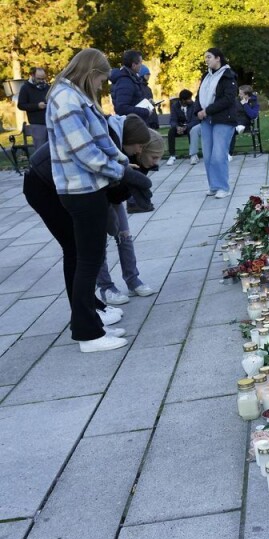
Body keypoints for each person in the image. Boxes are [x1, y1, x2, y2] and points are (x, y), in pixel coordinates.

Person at [46, 48, 131, 352]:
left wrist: (123, 164)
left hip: (89, 188)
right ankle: (87, 334)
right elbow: (85, 152)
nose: (100, 87)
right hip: (81, 191)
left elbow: (102, 140)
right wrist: (120, 173)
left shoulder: (76, 97)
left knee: (89, 260)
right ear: (90, 72)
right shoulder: (66, 99)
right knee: (88, 262)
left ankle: (90, 323)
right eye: (100, 81)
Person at [97, 116, 158, 304]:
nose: (140, 149)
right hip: (96, 194)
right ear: (129, 142)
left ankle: (132, 279)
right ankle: (106, 287)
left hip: (112, 195)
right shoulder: (111, 140)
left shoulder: (130, 154)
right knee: (98, 243)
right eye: (139, 146)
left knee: (124, 235)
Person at [196, 47, 238, 199]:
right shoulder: (206, 77)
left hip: (223, 119)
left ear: (218, 58)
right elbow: (198, 96)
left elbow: (228, 99)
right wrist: (198, 112)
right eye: (205, 57)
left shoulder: (228, 76)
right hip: (206, 120)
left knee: (218, 155)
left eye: (209, 57)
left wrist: (208, 111)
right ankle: (213, 186)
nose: (206, 60)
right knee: (207, 155)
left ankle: (223, 187)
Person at [109, 50, 155, 128]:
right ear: (134, 65)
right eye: (140, 62)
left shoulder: (130, 78)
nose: (141, 65)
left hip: (135, 123)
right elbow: (122, 108)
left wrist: (147, 103)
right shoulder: (125, 81)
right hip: (131, 126)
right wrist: (145, 111)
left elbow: (133, 100)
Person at [17, 67, 49, 147]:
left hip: (50, 122)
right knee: (41, 149)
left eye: (43, 78)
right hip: (37, 124)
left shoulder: (47, 87)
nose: (41, 81)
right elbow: (21, 105)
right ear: (32, 75)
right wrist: (37, 106)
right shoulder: (25, 88)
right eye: (39, 79)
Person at [166, 89, 199, 166]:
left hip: (189, 127)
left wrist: (186, 127)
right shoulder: (175, 106)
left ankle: (193, 155)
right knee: (171, 131)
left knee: (192, 130)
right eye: (189, 99)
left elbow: (195, 120)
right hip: (179, 128)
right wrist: (177, 127)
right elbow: (172, 120)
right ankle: (172, 156)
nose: (191, 100)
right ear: (183, 100)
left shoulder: (193, 105)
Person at [230, 85, 259, 156]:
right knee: (227, 130)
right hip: (234, 122)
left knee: (232, 131)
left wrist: (245, 105)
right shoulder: (236, 101)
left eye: (241, 94)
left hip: (247, 124)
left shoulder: (254, 102)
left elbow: (253, 115)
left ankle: (229, 153)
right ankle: (224, 153)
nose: (239, 95)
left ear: (246, 95)